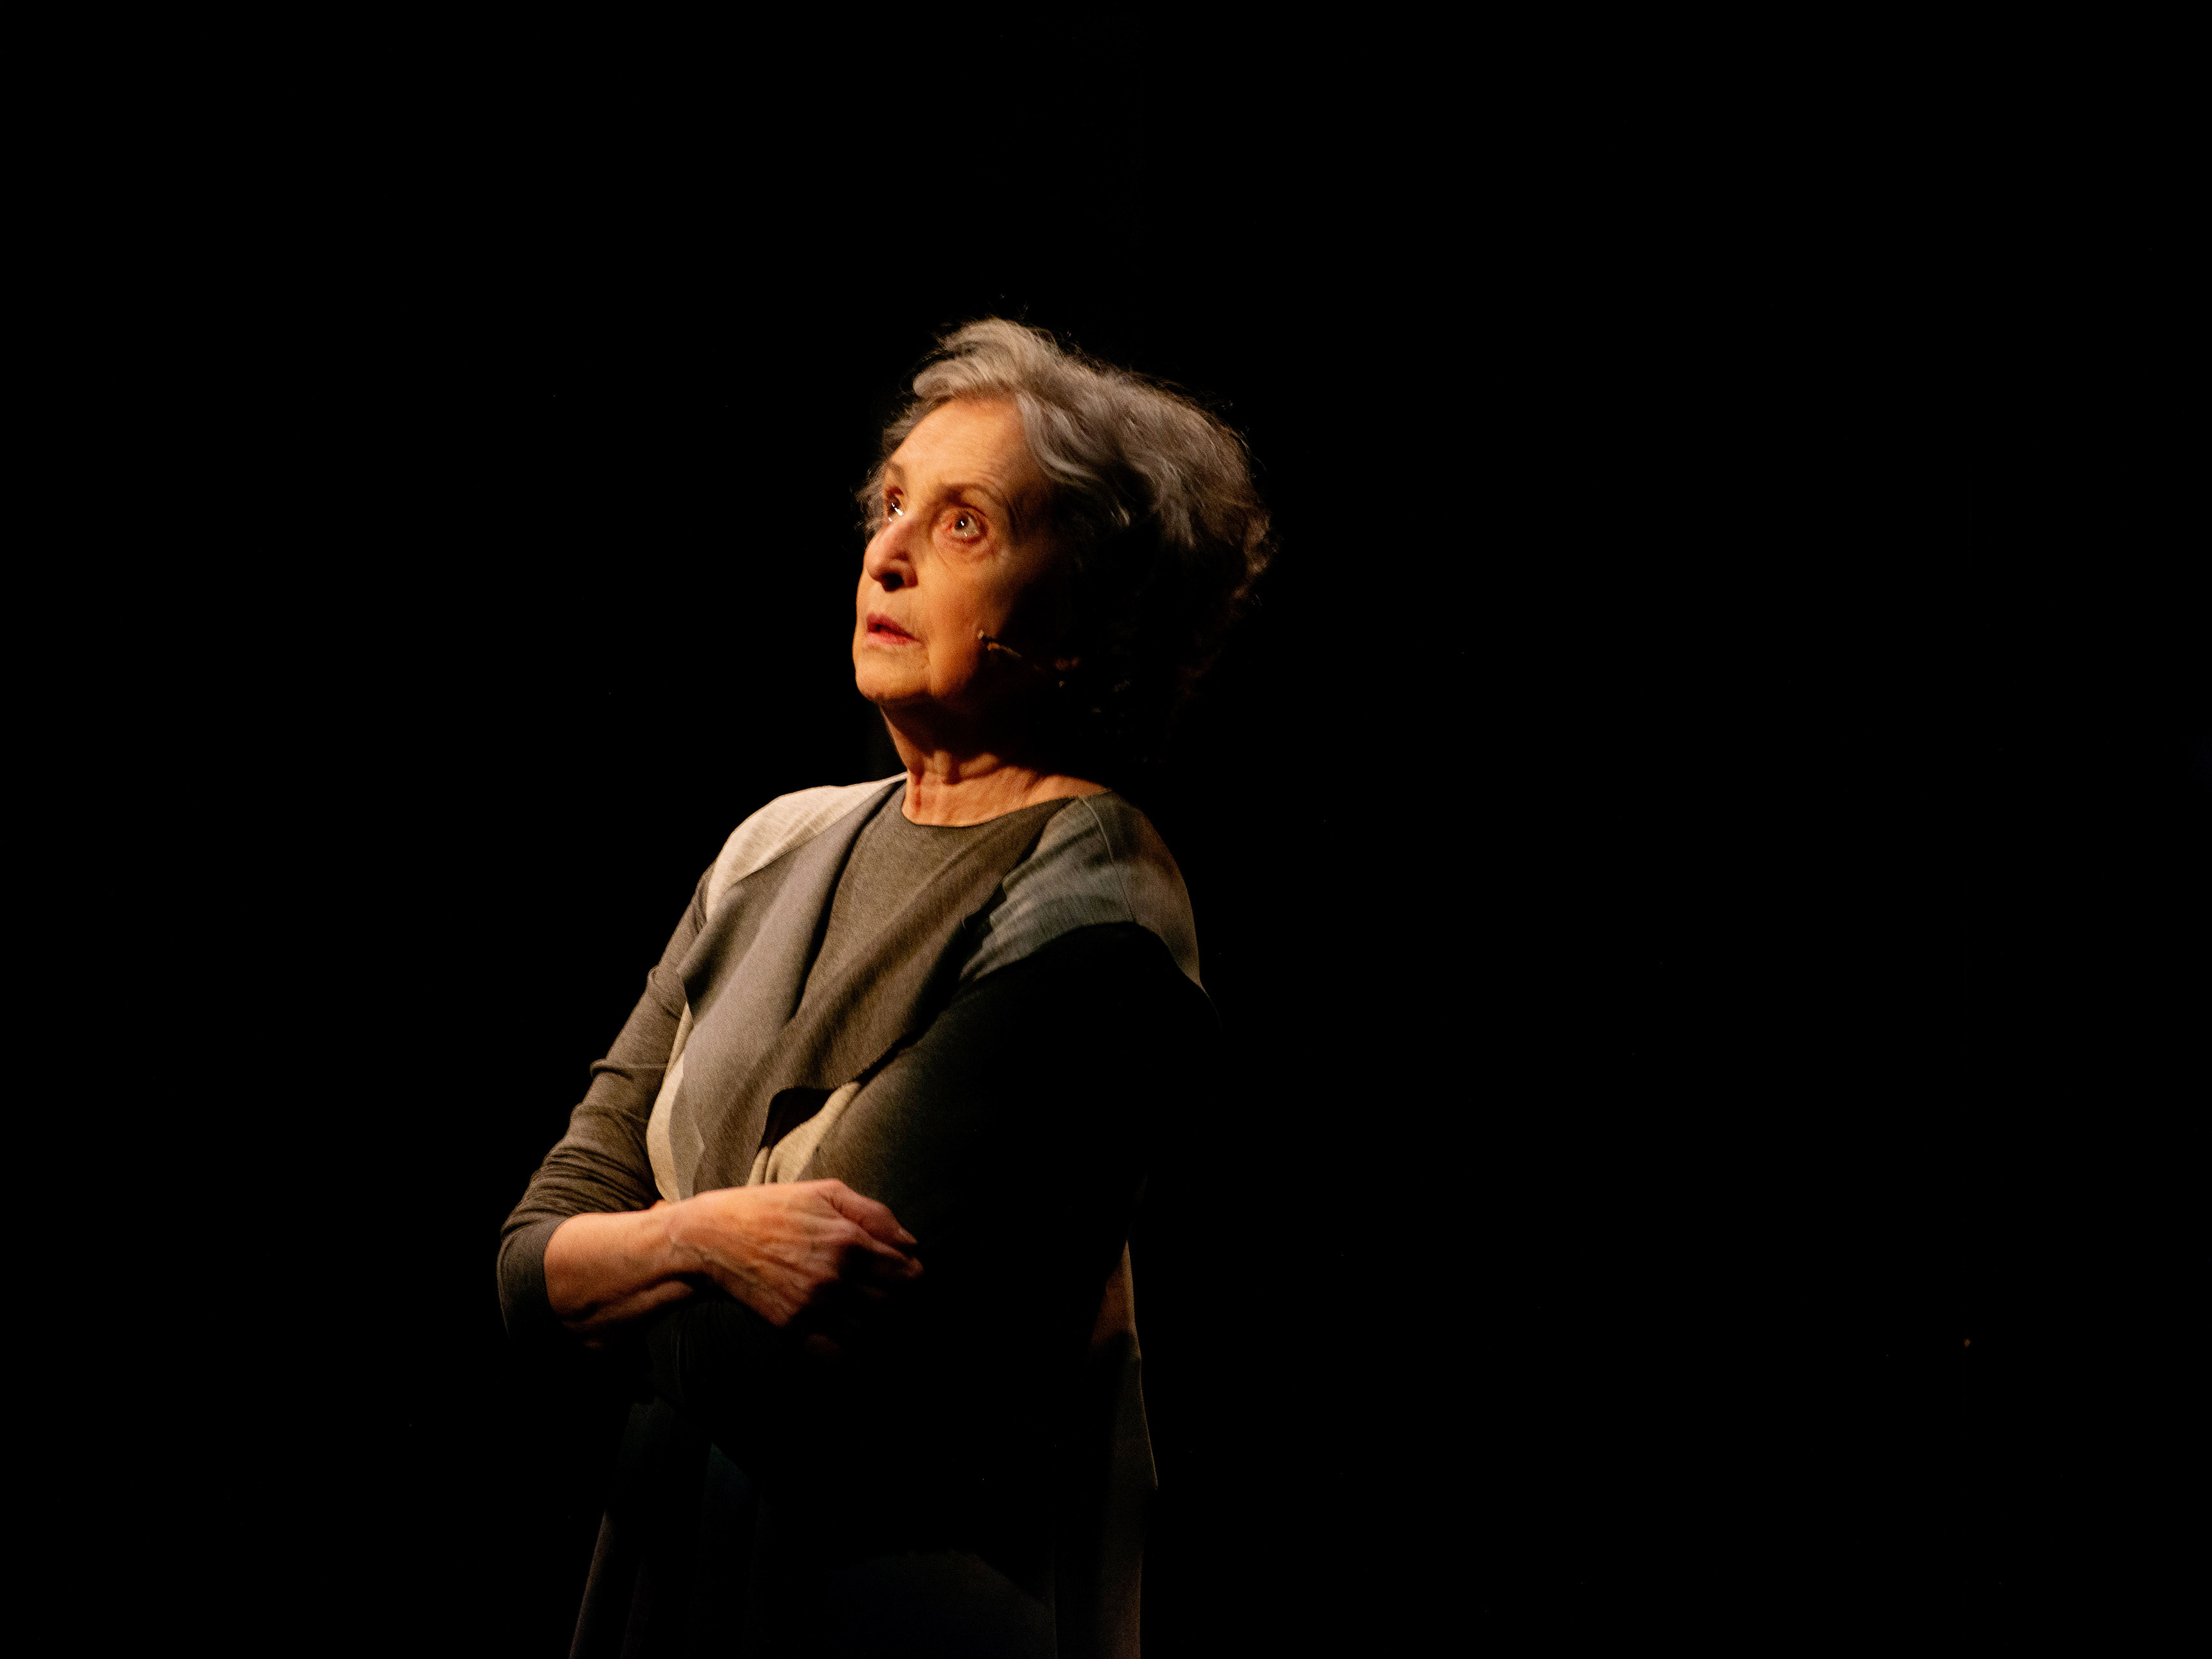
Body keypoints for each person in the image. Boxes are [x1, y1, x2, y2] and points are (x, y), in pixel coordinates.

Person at [498, 319, 1270, 1658]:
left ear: (1087, 614)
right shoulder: (771, 845)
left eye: (965, 524)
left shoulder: (1100, 910)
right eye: (892, 505)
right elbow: (525, 1255)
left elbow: (796, 1383)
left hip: (892, 1605)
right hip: (666, 1574)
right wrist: (703, 1242)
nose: (889, 552)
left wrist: (610, 1272)